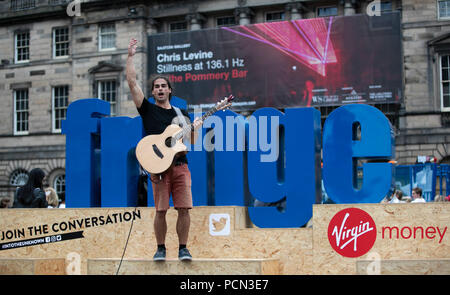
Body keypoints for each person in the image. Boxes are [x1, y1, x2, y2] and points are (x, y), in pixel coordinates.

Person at [127, 38, 204, 261]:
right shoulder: (148, 109)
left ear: (170, 90)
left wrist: (194, 128)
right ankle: (160, 248)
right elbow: (132, 82)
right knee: (160, 210)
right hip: (158, 168)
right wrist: (131, 56)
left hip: (180, 166)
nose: (160, 89)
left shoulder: (182, 114)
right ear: (153, 92)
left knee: (184, 209)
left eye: (163, 86)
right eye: (156, 87)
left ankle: (183, 248)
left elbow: (190, 141)